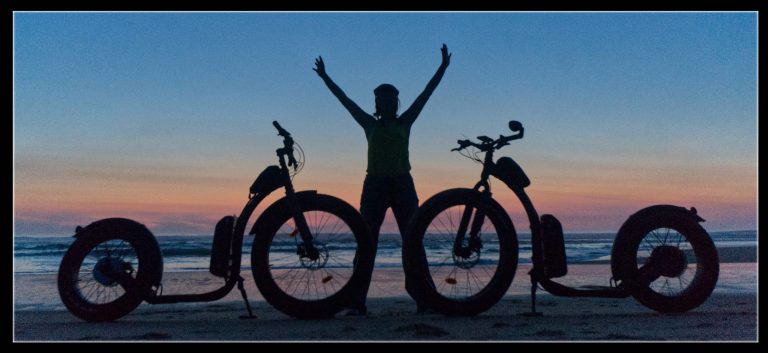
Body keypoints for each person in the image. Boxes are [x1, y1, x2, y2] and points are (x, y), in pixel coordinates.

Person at [313, 44, 451, 316]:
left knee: (413, 242)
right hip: (374, 185)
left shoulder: (405, 123)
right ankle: (356, 301)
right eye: (381, 99)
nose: (386, 103)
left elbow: (427, 94)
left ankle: (425, 300)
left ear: (395, 102)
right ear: (377, 103)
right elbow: (346, 101)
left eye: (390, 99)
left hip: (403, 185)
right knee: (367, 243)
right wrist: (325, 77)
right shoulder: (370, 124)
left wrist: (442, 67)